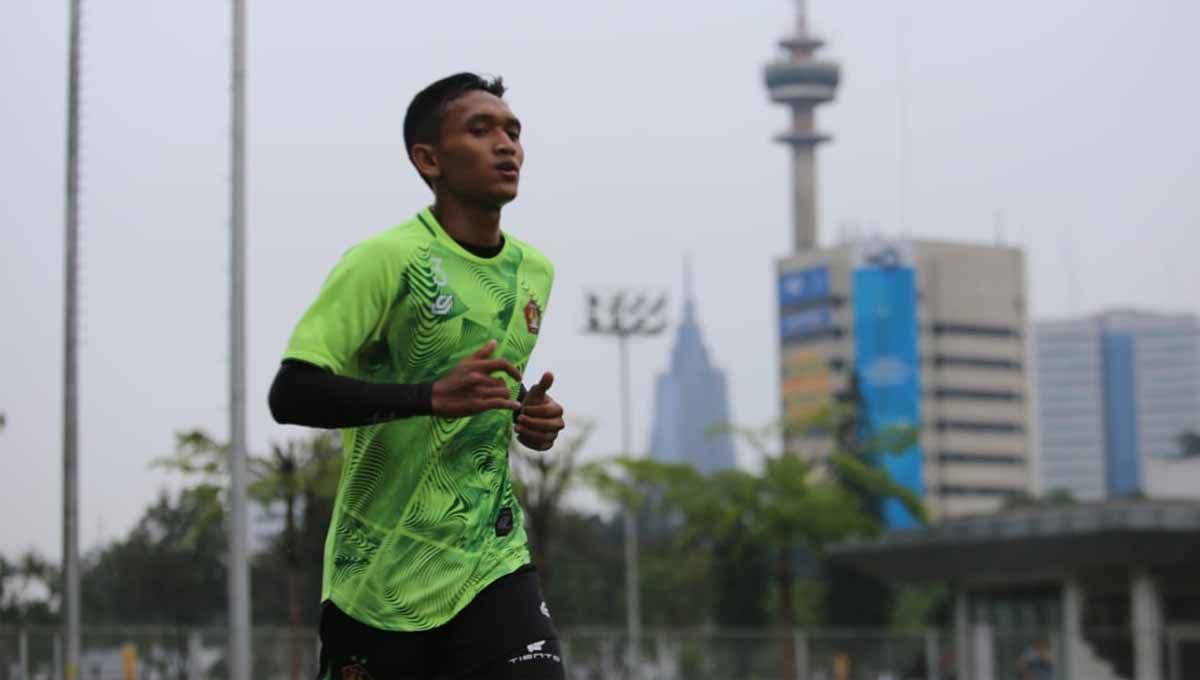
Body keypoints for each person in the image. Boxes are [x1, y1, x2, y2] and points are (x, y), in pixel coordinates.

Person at [269, 72, 567, 680]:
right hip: (379, 580)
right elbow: (291, 392)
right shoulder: (387, 260)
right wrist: (428, 398)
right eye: (480, 130)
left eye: (513, 131)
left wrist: (530, 419)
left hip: (492, 561)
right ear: (428, 159)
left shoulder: (535, 271)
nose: (505, 145)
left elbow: (485, 398)